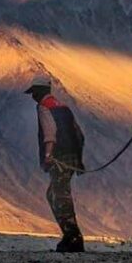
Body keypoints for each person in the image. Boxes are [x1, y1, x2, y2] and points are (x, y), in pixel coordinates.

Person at [25, 75, 86, 252]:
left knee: (58, 195)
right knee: (57, 193)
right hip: (71, 158)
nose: (33, 96)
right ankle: (70, 236)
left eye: (34, 92)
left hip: (59, 158)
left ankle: (73, 238)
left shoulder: (44, 107)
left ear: (40, 91)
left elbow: (49, 131)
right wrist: (79, 159)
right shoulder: (63, 107)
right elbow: (79, 134)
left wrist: (48, 154)